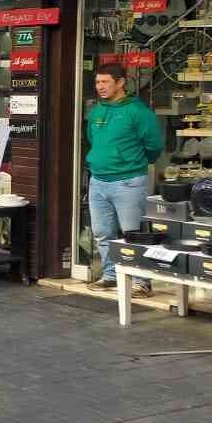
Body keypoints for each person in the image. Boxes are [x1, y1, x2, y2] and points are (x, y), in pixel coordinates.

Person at [86, 66, 163, 293]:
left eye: (106, 82)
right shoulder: (97, 111)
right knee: (102, 233)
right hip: (98, 181)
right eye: (98, 82)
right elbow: (92, 138)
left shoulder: (138, 112)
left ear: (120, 83)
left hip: (128, 182)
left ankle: (141, 281)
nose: (100, 87)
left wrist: (133, 162)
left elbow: (154, 147)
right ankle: (110, 275)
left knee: (134, 234)